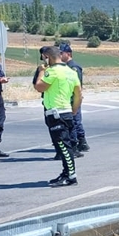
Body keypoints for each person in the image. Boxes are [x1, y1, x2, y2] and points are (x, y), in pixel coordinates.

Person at [34, 46, 82, 187]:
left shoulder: (52, 72)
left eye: (44, 58)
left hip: (56, 113)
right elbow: (79, 95)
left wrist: (41, 71)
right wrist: (73, 111)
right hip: (66, 111)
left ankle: (71, 176)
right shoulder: (71, 72)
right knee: (64, 145)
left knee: (63, 146)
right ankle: (66, 172)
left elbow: (39, 87)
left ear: (47, 57)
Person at [58, 44, 89, 152]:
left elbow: (77, 84)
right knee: (73, 120)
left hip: (73, 97)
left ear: (68, 54)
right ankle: (79, 141)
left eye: (61, 53)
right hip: (67, 98)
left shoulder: (73, 67)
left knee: (75, 120)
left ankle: (80, 141)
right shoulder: (64, 67)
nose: (59, 55)